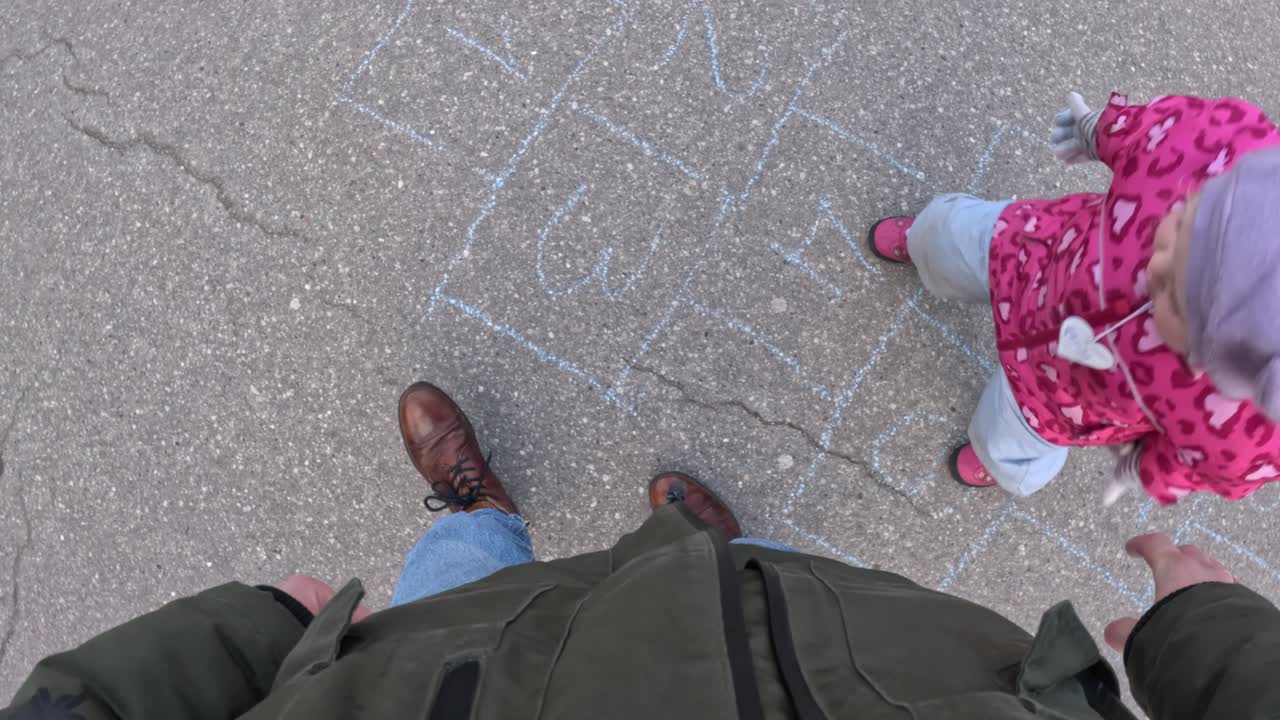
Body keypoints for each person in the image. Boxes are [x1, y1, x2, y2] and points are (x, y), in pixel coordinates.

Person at [4, 383, 1279, 720]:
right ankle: (716, 565)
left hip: (438, 694)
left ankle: (476, 517)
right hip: (871, 684)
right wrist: (1207, 641)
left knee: (456, 591)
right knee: (783, 596)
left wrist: (246, 635)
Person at [868, 92, 1280, 504]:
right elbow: (1159, 131)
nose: (1159, 260)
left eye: (1175, 297)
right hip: (1032, 249)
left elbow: (1203, 464)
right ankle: (923, 242)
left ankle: (996, 460)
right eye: (1188, 218)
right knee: (947, 236)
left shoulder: (1240, 427)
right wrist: (1101, 130)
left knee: (1008, 444)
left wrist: (1144, 469)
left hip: (1062, 398)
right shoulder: (1223, 146)